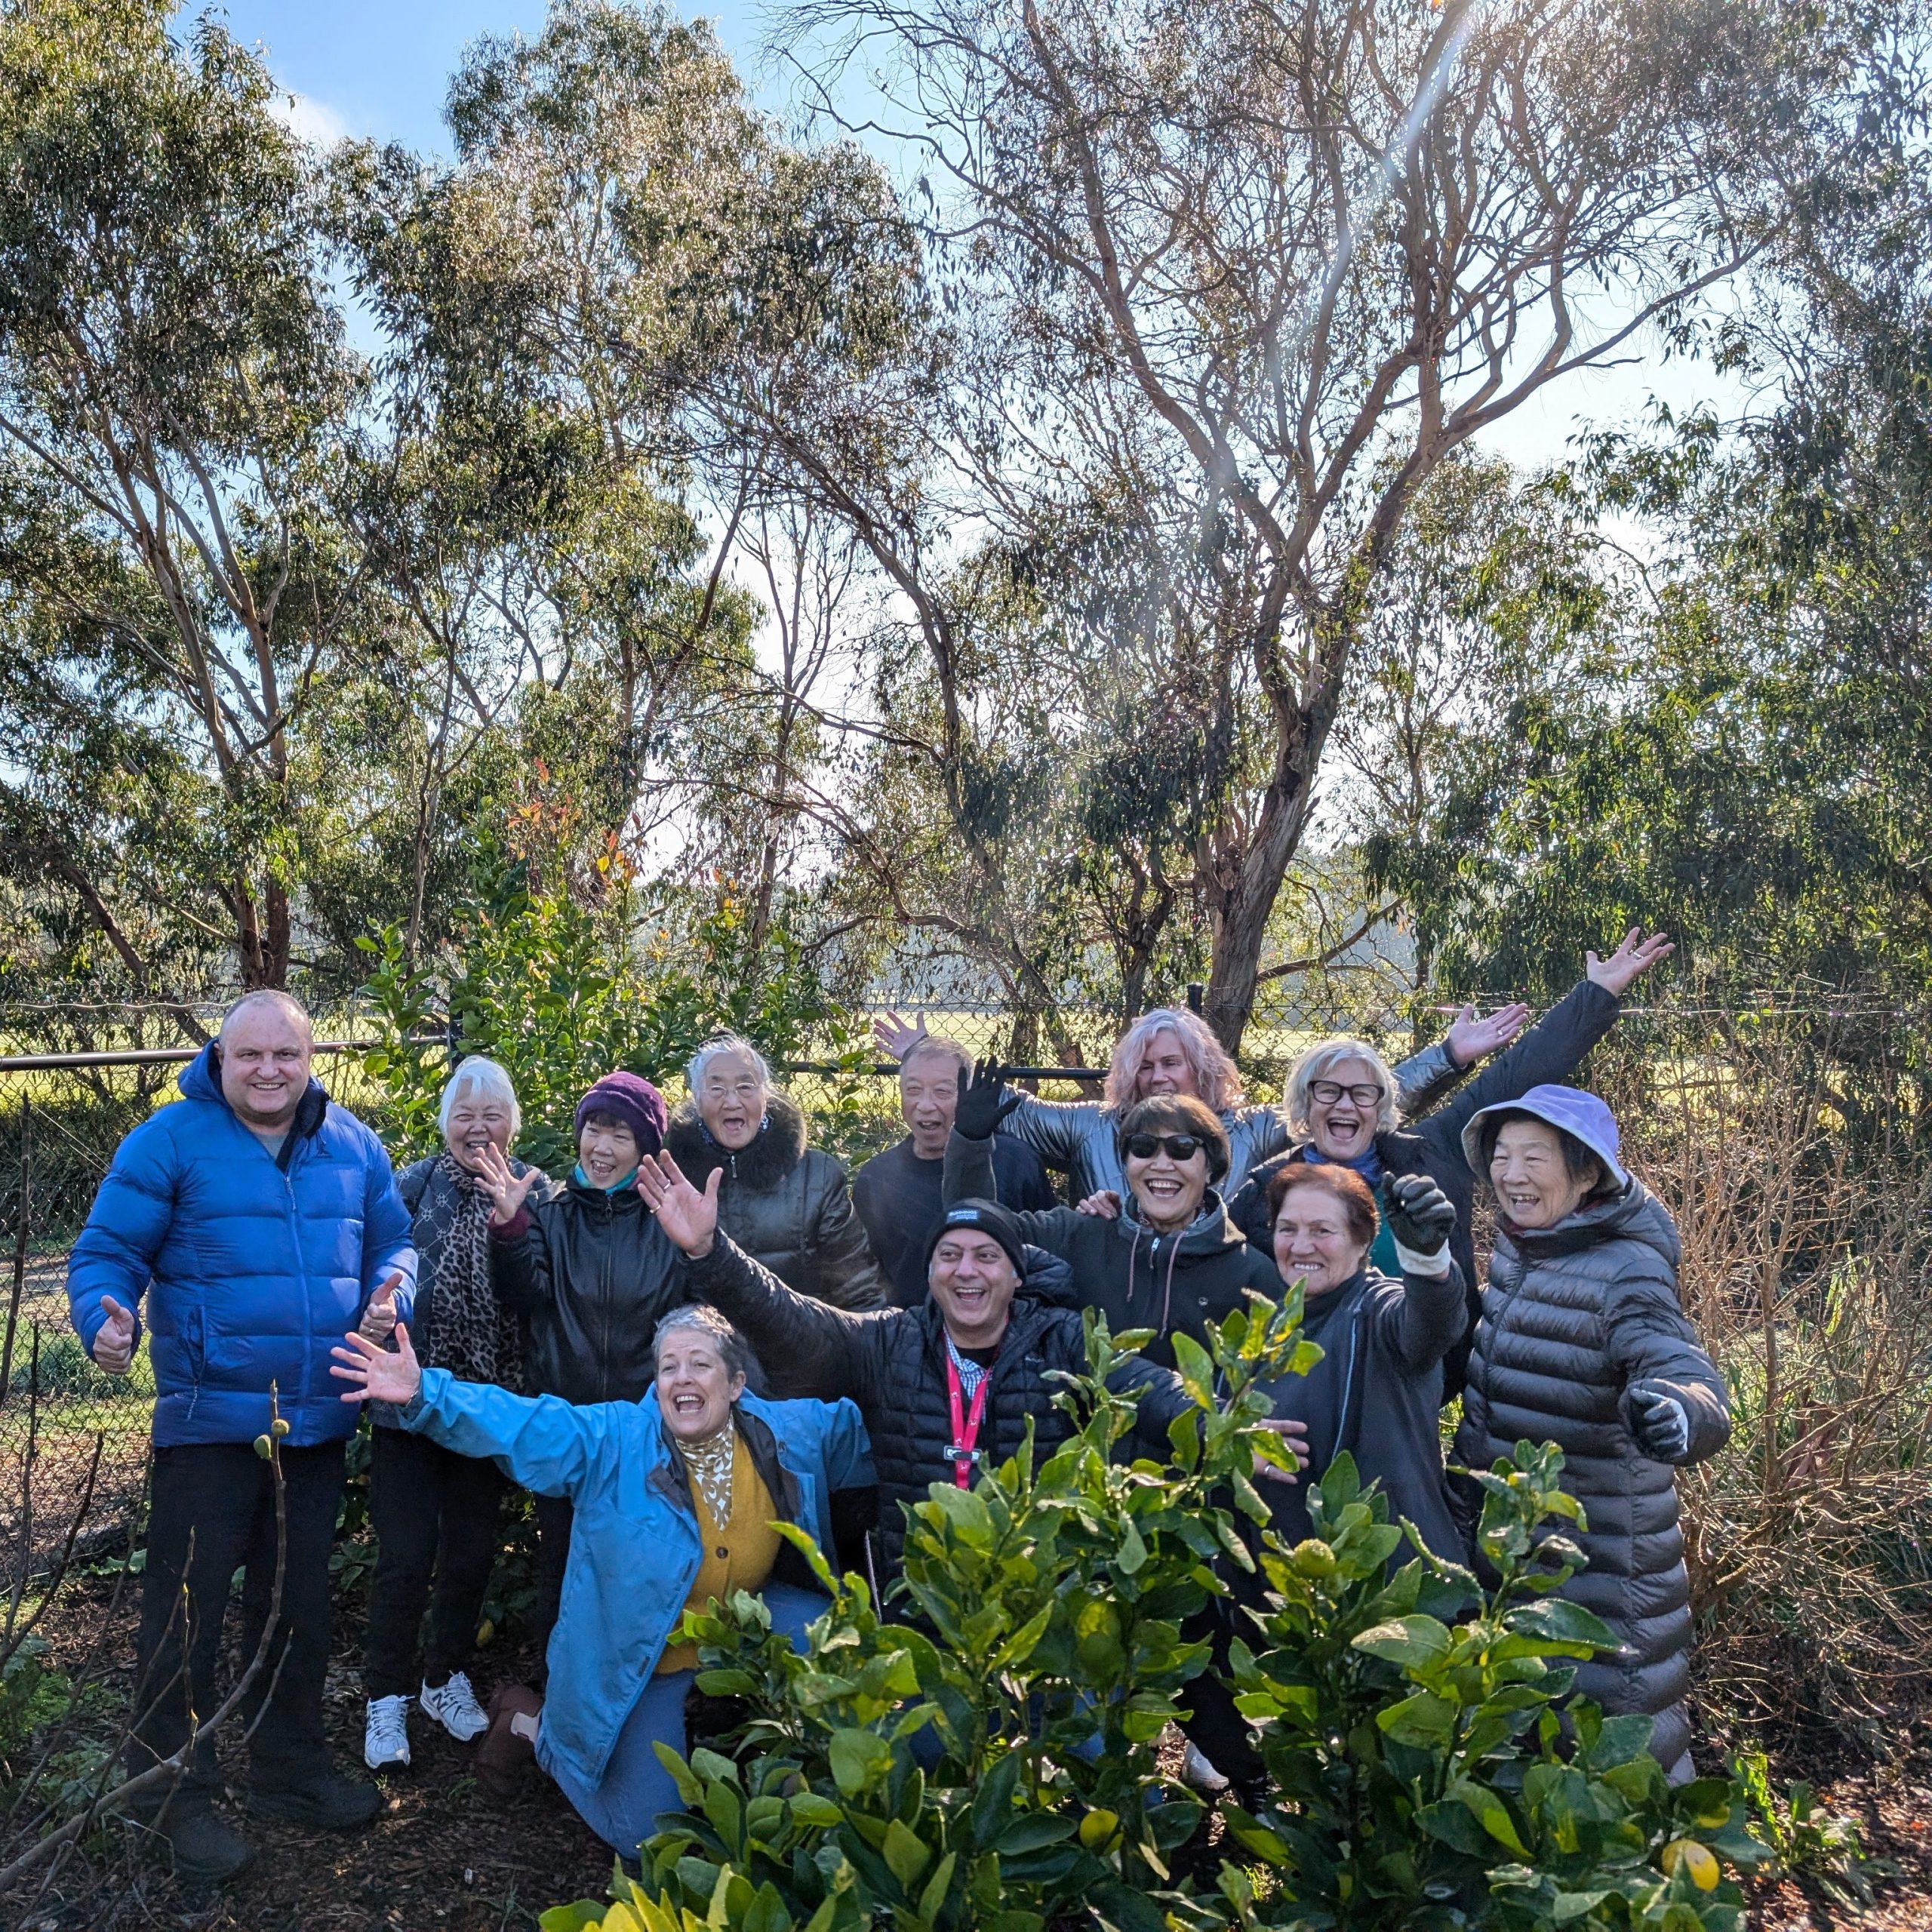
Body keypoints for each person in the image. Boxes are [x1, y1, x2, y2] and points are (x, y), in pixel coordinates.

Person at [66, 991, 414, 1884]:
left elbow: (396, 1243)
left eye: (286, 1057)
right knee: (184, 1613)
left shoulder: (354, 1146)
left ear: (310, 1059)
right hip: (208, 1425)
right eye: (249, 1055)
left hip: (319, 1422)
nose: (268, 1071)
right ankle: (169, 1794)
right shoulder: (171, 1140)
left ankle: (288, 1770)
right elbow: (105, 1251)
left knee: (297, 1607)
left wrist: (390, 1295)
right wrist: (101, 1319)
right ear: (220, 1057)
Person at [331, 1303, 871, 1859]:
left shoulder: (787, 1436)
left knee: (848, 1642)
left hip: (746, 1625)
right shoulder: (616, 1442)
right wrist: (428, 1394)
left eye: (700, 1365)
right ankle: (530, 1724)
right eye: (668, 1367)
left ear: (736, 1383)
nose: (681, 1378)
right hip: (643, 1660)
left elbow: (873, 1427)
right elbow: (525, 1425)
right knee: (645, 1835)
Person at [632, 1158, 1291, 1590]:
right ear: (930, 1274)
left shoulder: (1062, 1341)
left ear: (1014, 1275)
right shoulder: (889, 1342)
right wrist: (709, 1252)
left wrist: (1228, 1430)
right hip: (922, 1595)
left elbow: (1146, 1387)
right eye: (949, 1255)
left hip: (1038, 1596)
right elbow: (793, 1320)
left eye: (985, 1256)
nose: (966, 1270)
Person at [1223, 929, 1677, 1395]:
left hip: (1420, 1382)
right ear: (1304, 1105)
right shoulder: (1261, 1193)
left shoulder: (1430, 1153)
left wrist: (1596, 994)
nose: (1345, 1105)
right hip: (1304, 1389)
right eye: (1327, 1091)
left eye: (1363, 1093)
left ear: (1381, 1107)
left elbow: (1519, 1073)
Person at [1454, 1085, 1730, 1780]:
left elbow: (1675, 1362)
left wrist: (1680, 1410)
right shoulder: (1528, 1247)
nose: (1512, 1175)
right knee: (1524, 1746)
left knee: (1613, 1760)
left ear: (1586, 1173)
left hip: (1600, 1564)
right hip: (1523, 1549)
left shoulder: (1626, 1268)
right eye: (1503, 1156)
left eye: (1535, 1157)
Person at [363, 1056, 556, 1773]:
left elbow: (536, 1299)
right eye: (465, 1115)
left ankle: (442, 1677)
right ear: (447, 1123)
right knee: (405, 1555)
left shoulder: (540, 1193)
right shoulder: (411, 1185)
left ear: (513, 1121)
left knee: (471, 1552)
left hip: (486, 1407)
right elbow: (380, 1269)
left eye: (493, 1113)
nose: (479, 1128)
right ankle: (386, 1696)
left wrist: (512, 1223)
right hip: (407, 1404)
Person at [876, 998, 1531, 1201]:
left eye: (1173, 1064)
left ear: (1203, 1070)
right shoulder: (1090, 1129)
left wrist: (1446, 1057)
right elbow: (996, 1103)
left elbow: (1346, 1104)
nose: (1159, 1077)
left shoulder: (1246, 1131)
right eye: (1146, 1066)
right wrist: (925, 1059)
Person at [477, 1069, 684, 1653]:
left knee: (637, 1567)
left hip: (643, 1430)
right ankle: (554, 1699)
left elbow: (687, 1322)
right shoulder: (553, 1213)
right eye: (595, 1129)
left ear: (645, 1149)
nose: (603, 1147)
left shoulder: (666, 1224)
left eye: (621, 1135)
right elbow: (526, 1298)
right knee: (562, 1565)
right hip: (566, 1425)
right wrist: (511, 1230)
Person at [943, 1068, 1281, 1368]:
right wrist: (971, 1144)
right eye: (1144, 1147)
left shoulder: (1251, 1274)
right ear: (1127, 1164)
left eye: (1181, 1147)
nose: (1161, 1163)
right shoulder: (1080, 1235)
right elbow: (978, 1227)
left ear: (1211, 1167)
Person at [1254, 1164, 1466, 1562]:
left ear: (1362, 1242)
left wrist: (1427, 1259)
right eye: (1288, 1229)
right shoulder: (1264, 1329)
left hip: (1391, 1589)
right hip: (1293, 1588)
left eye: (1322, 1231)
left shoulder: (1377, 1310)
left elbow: (1432, 1325)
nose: (1301, 1246)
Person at [664, 1032, 887, 1311]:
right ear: (697, 1101)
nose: (732, 1102)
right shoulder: (674, 1180)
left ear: (765, 1096)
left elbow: (858, 1290)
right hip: (707, 1348)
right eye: (717, 1089)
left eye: (746, 1087)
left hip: (803, 1344)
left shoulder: (817, 1177)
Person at [852, 1031, 1056, 1306]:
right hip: (913, 1330)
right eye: (913, 1090)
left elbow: (1049, 1256)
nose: (925, 1105)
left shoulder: (1016, 1161)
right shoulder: (876, 1178)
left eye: (943, 1092)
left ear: (968, 1094)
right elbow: (865, 1275)